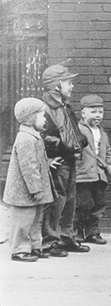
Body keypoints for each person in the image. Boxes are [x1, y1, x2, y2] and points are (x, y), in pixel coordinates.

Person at [41, 64, 89, 255]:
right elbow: (41, 136)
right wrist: (61, 146)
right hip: (58, 161)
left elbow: (70, 131)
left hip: (68, 159)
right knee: (57, 201)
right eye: (69, 82)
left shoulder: (63, 106)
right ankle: (51, 242)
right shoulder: (46, 108)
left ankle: (66, 238)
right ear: (57, 85)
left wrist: (79, 141)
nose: (72, 86)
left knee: (69, 199)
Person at [3, 98, 55, 262]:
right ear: (31, 117)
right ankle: (19, 249)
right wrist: (36, 188)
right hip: (24, 191)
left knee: (35, 220)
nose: (45, 119)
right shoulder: (25, 138)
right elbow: (29, 167)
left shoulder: (33, 136)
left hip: (33, 190)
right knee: (22, 221)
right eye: (42, 116)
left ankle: (34, 246)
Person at [75, 94, 111, 245]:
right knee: (82, 204)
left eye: (100, 112)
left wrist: (110, 164)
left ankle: (93, 233)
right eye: (93, 112)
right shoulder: (78, 130)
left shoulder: (102, 132)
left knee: (99, 204)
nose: (98, 115)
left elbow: (108, 151)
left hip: (99, 174)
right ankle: (77, 232)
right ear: (83, 113)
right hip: (83, 175)